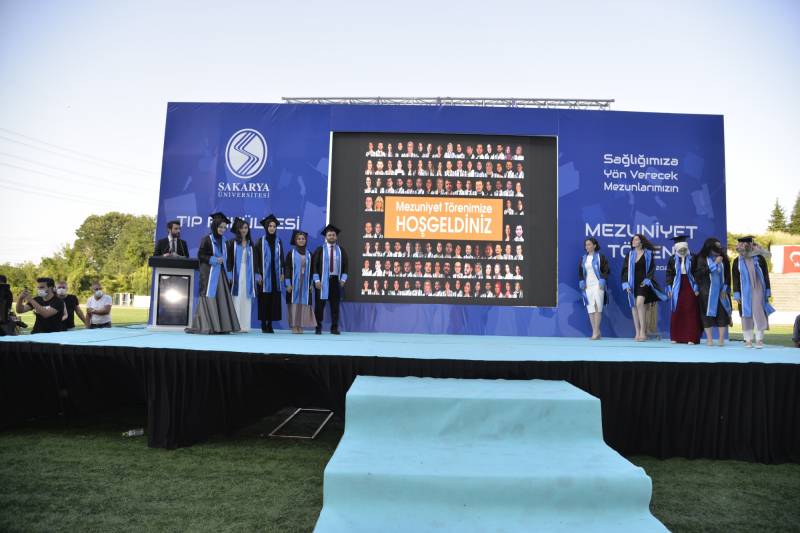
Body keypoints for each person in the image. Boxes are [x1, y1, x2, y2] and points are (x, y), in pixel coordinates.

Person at [187, 212, 240, 334]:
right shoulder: (207, 239)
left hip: (221, 274)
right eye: (220, 227)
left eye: (224, 228)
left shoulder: (225, 241)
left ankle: (222, 327)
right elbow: (200, 255)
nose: (222, 230)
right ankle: (209, 326)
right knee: (209, 297)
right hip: (209, 274)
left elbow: (228, 259)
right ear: (215, 226)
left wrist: (229, 274)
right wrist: (214, 259)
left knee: (221, 299)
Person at [621, 234, 667, 341]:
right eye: (633, 239)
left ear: (641, 242)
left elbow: (651, 269)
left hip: (644, 283)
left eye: (636, 239)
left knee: (639, 303)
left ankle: (643, 331)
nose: (633, 241)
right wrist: (626, 284)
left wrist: (647, 280)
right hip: (632, 283)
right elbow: (625, 270)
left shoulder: (648, 254)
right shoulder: (629, 255)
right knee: (634, 306)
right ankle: (637, 332)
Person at [732, 236, 774, 349]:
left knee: (758, 312)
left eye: (745, 244)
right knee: (746, 314)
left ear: (750, 245)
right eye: (741, 244)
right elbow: (735, 278)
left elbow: (765, 275)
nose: (742, 247)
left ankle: (759, 339)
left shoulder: (759, 258)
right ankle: (748, 340)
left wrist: (768, 291)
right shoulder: (737, 261)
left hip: (758, 289)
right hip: (744, 290)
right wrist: (736, 293)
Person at [693, 237, 732, 346]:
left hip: (721, 292)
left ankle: (721, 339)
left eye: (720, 246)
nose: (719, 248)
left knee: (722, 314)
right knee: (706, 315)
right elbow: (698, 274)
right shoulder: (701, 258)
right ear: (709, 247)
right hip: (707, 292)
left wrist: (725, 288)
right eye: (717, 247)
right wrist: (714, 264)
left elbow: (728, 275)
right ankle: (709, 339)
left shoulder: (724, 258)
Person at [665, 236, 702, 344]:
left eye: (684, 249)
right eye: (680, 250)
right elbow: (669, 274)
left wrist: (697, 287)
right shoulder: (672, 259)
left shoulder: (693, 257)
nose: (682, 251)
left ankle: (691, 338)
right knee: (677, 310)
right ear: (676, 249)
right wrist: (669, 288)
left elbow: (698, 273)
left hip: (690, 285)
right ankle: (676, 337)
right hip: (677, 286)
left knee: (690, 310)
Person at [312, 224, 348, 335]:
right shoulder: (320, 250)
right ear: (326, 237)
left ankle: (334, 327)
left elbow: (346, 266)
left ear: (336, 237)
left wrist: (343, 279)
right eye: (329, 235)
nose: (331, 237)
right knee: (319, 306)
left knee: (335, 306)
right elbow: (314, 266)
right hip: (322, 281)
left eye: (333, 235)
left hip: (335, 281)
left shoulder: (341, 251)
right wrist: (316, 280)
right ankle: (318, 327)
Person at [254, 214, 284, 333]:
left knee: (273, 300)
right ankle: (263, 323)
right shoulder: (260, 242)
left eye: (274, 226)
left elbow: (281, 257)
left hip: (275, 275)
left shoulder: (278, 241)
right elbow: (256, 260)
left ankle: (270, 323)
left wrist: (282, 272)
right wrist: (257, 274)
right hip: (263, 275)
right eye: (270, 226)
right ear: (266, 227)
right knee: (264, 300)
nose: (272, 228)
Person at [226, 218, 256, 332]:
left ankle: (244, 325)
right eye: (242, 228)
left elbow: (255, 261)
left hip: (248, 274)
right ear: (238, 229)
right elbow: (228, 260)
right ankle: (235, 325)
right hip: (236, 273)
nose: (244, 230)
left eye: (246, 228)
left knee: (246, 298)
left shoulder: (251, 244)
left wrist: (257, 274)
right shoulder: (231, 243)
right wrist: (229, 274)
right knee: (236, 298)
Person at [284, 230, 316, 334]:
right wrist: (288, 284)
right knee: (294, 304)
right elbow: (287, 269)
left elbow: (313, 269)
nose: (301, 240)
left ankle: (300, 324)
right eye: (299, 239)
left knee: (303, 304)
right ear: (295, 240)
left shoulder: (309, 254)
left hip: (305, 282)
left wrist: (311, 283)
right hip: (294, 282)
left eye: (303, 239)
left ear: (306, 240)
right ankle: (294, 325)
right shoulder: (291, 254)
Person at [578, 237, 610, 340]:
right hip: (588, 285)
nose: (587, 246)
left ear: (594, 245)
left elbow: (606, 269)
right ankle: (595, 331)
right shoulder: (583, 258)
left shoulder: (601, 257)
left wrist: (603, 279)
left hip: (598, 284)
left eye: (589, 244)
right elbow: (580, 271)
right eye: (586, 245)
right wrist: (581, 281)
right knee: (590, 308)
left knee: (597, 306)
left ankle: (596, 332)